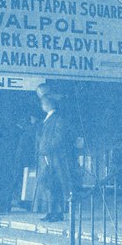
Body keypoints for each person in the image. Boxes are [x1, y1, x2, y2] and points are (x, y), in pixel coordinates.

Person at [37, 93, 75, 222]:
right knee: (48, 183)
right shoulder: (48, 118)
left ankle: (58, 212)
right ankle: (51, 211)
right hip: (47, 157)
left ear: (49, 104)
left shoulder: (58, 119)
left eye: (43, 103)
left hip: (56, 157)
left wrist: (47, 149)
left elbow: (59, 138)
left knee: (57, 183)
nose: (42, 106)